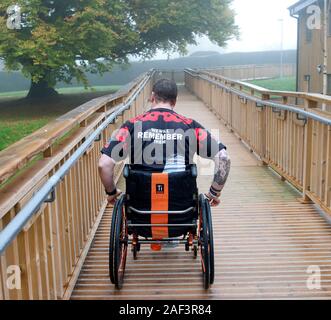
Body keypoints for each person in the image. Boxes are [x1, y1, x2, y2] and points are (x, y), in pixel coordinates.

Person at [98, 78, 231, 207]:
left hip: (139, 208)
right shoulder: (191, 126)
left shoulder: (131, 126)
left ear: (152, 96)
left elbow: (104, 164)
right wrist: (214, 192)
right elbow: (223, 158)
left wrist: (112, 192)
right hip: (182, 208)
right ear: (174, 101)